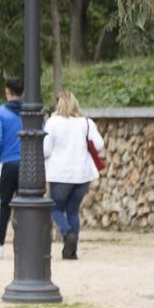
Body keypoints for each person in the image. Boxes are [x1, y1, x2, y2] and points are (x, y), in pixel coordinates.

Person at [44, 91, 104, 260]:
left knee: (55, 208)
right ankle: (72, 250)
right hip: (82, 175)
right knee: (72, 210)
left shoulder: (53, 122)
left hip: (60, 175)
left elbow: (45, 150)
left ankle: (67, 233)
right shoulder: (86, 122)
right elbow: (99, 145)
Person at [0, 78, 24, 258]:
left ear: (7, 91)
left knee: (4, 205)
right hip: (28, 165)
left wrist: (2, 156)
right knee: (27, 205)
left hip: (8, 164)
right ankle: (26, 244)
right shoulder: (32, 111)